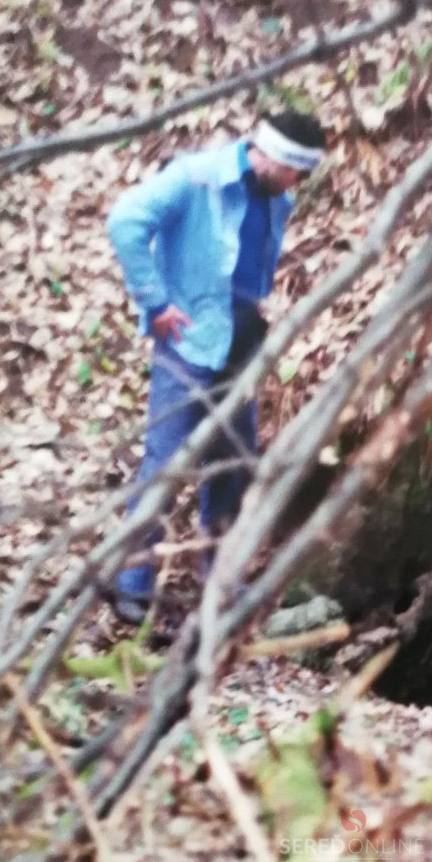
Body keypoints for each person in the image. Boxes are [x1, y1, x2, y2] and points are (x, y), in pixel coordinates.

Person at [107, 111, 326, 623]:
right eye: (296, 171)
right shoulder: (196, 178)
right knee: (166, 463)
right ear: (273, 157)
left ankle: (219, 578)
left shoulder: (277, 198)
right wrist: (155, 301)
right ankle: (131, 582)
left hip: (240, 344)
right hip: (187, 344)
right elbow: (125, 220)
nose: (298, 183)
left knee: (234, 462)